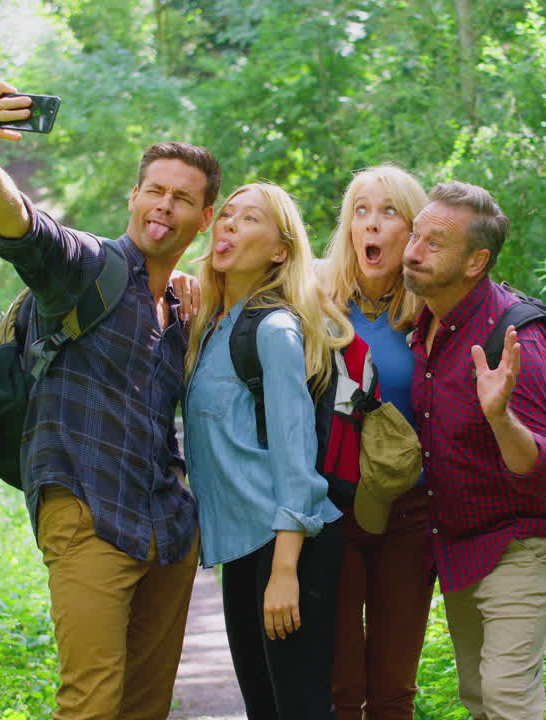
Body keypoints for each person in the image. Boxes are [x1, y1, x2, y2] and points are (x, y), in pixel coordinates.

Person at [0, 82, 219, 720]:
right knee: (91, 704)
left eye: (183, 197)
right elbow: (24, 228)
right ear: (133, 197)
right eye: (155, 189)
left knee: (144, 708)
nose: (164, 205)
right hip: (86, 512)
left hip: (166, 530)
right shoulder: (88, 266)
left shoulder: (185, 309)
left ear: (204, 218)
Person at [401, 182, 546, 720]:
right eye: (416, 235)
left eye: (435, 243)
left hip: (523, 539)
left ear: (477, 261)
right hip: (461, 541)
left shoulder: (513, 339)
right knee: (479, 696)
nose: (413, 251)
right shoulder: (427, 319)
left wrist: (499, 415)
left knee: (505, 695)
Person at [183, 182, 349, 720]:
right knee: (263, 708)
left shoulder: (274, 328)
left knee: (299, 707)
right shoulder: (210, 326)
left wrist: (285, 572)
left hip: (287, 545)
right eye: (225, 215)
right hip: (243, 547)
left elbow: (296, 458)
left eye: (248, 218)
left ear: (280, 249)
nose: (227, 224)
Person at [318, 165, 434, 720]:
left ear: (414, 231)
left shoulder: (433, 314)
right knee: (341, 686)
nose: (372, 223)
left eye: (389, 211)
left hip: (410, 515)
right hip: (334, 510)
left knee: (392, 689)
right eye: (361, 211)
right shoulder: (316, 305)